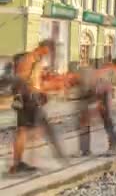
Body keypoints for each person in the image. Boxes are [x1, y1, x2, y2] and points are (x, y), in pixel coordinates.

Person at [9, 41, 66, 174]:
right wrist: (33, 93)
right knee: (33, 130)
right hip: (28, 98)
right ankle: (20, 164)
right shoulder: (29, 58)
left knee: (25, 130)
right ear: (42, 47)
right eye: (47, 50)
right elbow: (21, 79)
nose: (47, 54)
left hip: (30, 98)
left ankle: (17, 164)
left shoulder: (36, 60)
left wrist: (44, 90)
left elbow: (35, 82)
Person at [75, 63, 116, 157]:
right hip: (92, 96)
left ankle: (114, 146)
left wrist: (97, 108)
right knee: (83, 121)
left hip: (104, 94)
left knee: (108, 118)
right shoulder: (81, 82)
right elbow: (83, 99)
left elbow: (97, 98)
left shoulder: (97, 83)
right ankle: (84, 149)